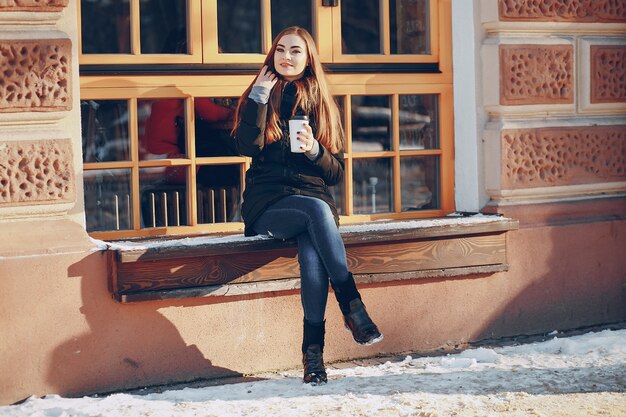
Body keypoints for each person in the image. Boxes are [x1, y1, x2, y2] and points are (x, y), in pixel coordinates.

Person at [232, 26, 383, 385]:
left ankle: (313, 358)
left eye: (296, 51)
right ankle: (352, 305)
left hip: (312, 198)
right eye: (281, 49)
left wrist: (315, 150)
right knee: (316, 214)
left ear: (308, 57)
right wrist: (258, 98)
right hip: (268, 204)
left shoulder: (321, 104)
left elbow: (336, 173)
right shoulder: (258, 94)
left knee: (313, 256)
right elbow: (246, 148)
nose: (287, 56)